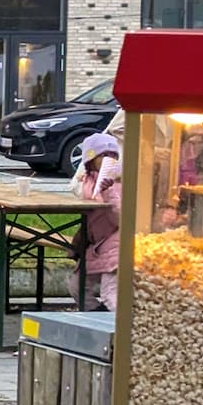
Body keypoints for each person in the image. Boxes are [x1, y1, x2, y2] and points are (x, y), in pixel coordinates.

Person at [71, 132, 122, 310]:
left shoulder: (117, 184)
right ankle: (99, 318)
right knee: (77, 287)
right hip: (97, 245)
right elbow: (82, 199)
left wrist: (108, 192)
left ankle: (119, 331)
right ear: (91, 159)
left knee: (111, 293)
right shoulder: (86, 180)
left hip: (116, 244)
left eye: (112, 156)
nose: (108, 159)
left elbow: (120, 218)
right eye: (103, 155)